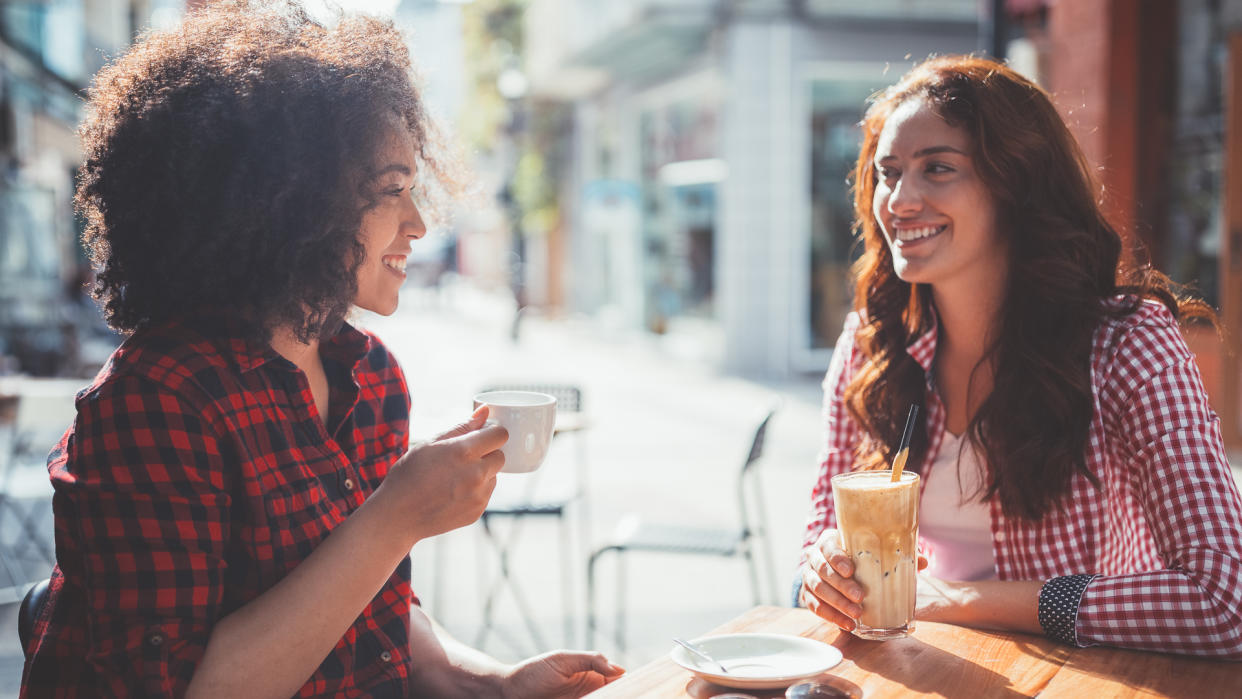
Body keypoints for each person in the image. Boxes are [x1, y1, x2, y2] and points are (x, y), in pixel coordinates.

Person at [20, 2, 624, 696]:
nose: (420, 222)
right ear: (289, 204)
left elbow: (370, 611)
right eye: (391, 191)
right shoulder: (157, 400)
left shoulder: (370, 375)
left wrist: (492, 681)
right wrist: (392, 518)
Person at [798, 54, 1242, 659]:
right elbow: (812, 555)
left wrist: (953, 599)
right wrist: (825, 573)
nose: (900, 200)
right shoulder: (871, 348)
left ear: (1016, 184)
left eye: (938, 169)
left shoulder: (1128, 345)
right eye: (889, 173)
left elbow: (1224, 601)